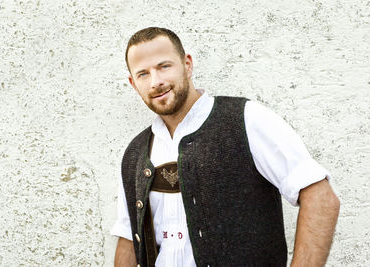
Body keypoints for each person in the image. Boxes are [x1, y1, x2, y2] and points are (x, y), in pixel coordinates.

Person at [111, 27, 340, 267]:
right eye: (143, 74)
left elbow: (320, 198)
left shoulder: (246, 120)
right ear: (133, 83)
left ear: (187, 65)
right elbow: (128, 239)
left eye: (164, 66)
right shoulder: (135, 154)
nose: (156, 81)